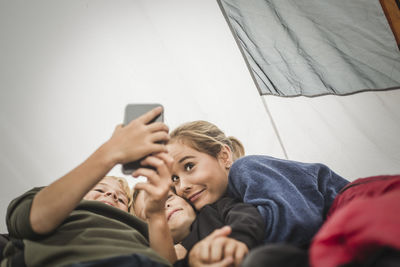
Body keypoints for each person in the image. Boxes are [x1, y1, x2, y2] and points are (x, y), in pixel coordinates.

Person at [2, 107, 177, 267]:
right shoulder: (47, 201)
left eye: (122, 199)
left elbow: (168, 264)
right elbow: (32, 222)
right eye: (100, 189)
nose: (111, 194)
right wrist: (110, 152)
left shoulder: (139, 227)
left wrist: (156, 214)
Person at [167, 120, 350, 247]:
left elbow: (296, 223)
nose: (182, 186)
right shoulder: (220, 209)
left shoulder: (246, 168)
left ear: (224, 156)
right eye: (174, 179)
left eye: (189, 166)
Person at [131, 187, 265, 266]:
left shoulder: (215, 209)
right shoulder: (172, 258)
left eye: (168, 197)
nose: (164, 206)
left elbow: (245, 214)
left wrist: (237, 239)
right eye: (152, 211)